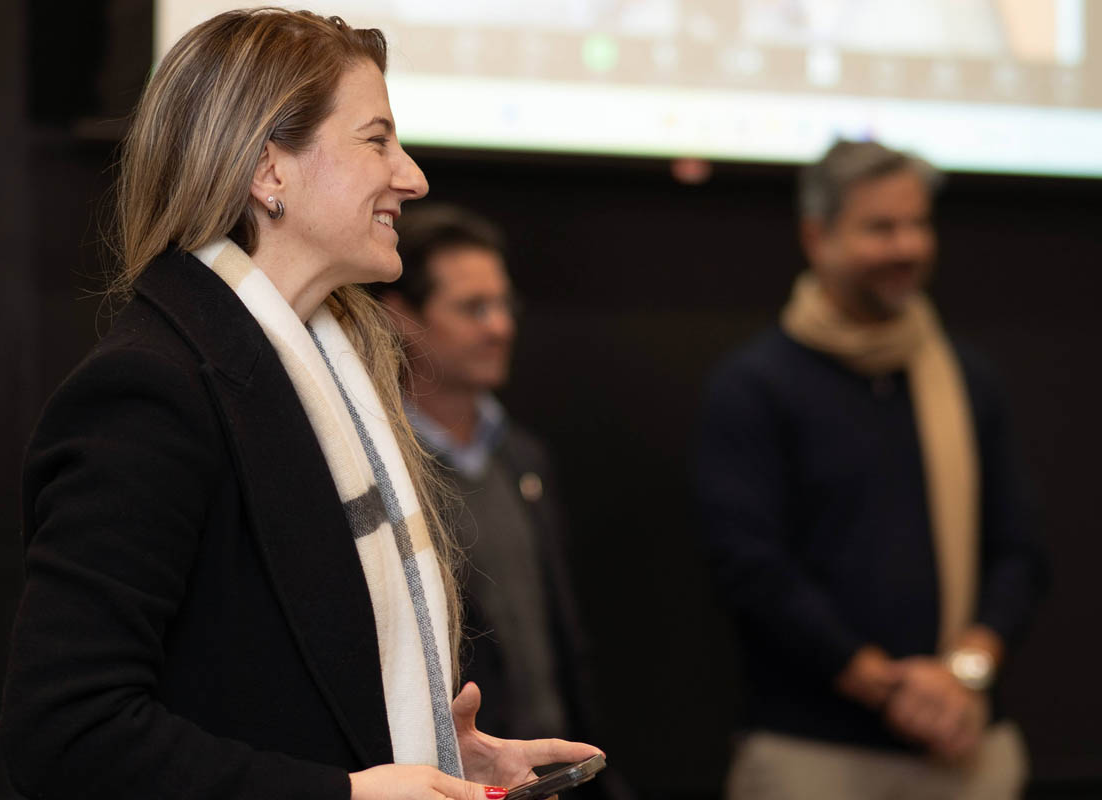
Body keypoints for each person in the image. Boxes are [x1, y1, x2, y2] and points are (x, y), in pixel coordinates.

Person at [0, 9, 599, 799]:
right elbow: (65, 734)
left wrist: (428, 752)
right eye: (377, 140)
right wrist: (343, 794)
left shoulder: (325, 383)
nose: (412, 177)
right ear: (268, 171)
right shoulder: (151, 392)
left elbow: (258, 688)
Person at [695, 139, 1048, 800]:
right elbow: (749, 566)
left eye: (918, 224)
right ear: (816, 236)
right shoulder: (756, 387)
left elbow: (1019, 550)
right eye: (881, 228)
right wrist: (884, 686)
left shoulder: (968, 379)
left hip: (966, 740)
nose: (907, 246)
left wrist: (964, 675)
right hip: (812, 753)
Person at [371, 206, 615, 765]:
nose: (500, 327)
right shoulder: (378, 468)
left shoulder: (523, 457)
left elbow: (560, 636)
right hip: (449, 778)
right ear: (400, 316)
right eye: (473, 308)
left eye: (505, 305)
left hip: (553, 769)